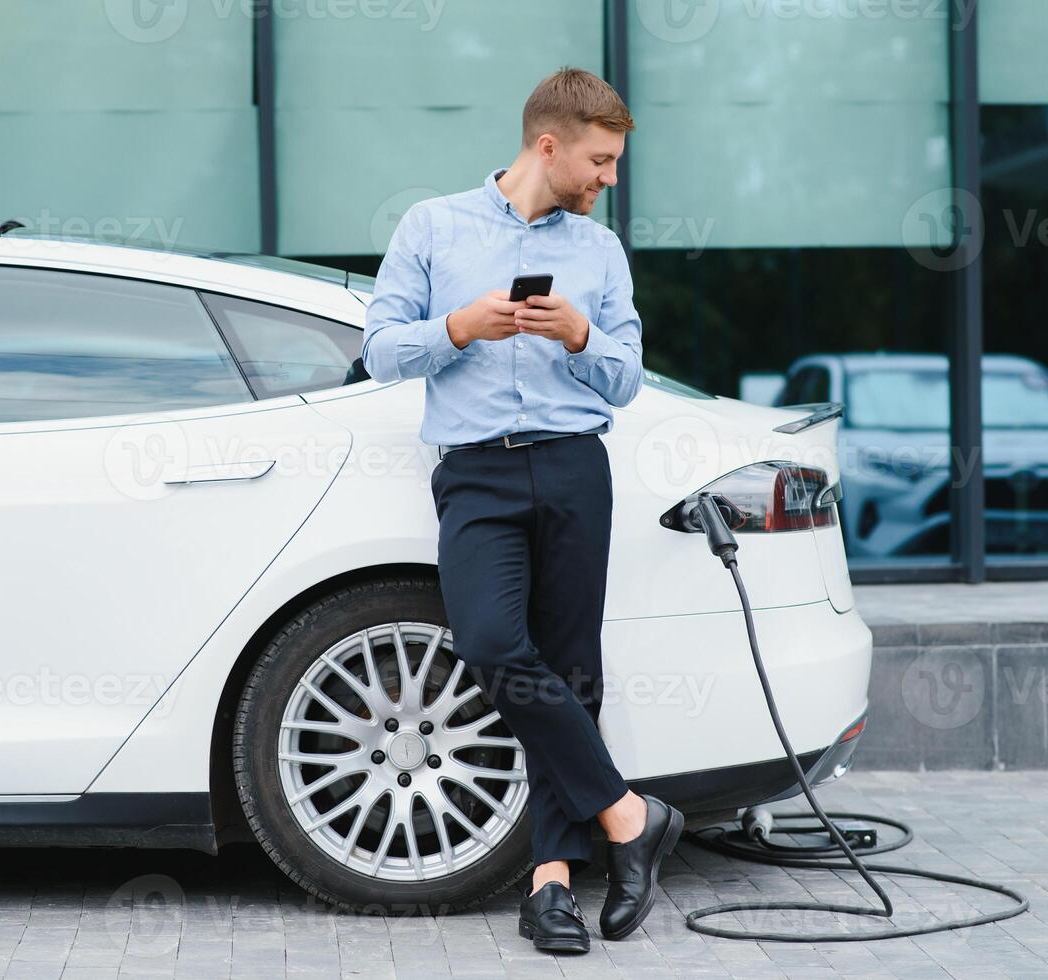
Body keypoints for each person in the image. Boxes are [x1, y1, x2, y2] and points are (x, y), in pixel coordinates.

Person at [360, 66, 683, 954]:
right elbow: (380, 349)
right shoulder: (433, 226)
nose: (608, 179)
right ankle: (629, 818)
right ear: (550, 145)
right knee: (493, 644)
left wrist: (581, 336)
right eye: (601, 160)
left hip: (576, 467)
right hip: (477, 474)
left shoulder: (599, 251)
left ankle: (550, 888)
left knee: (573, 671)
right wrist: (458, 328)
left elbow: (626, 378)